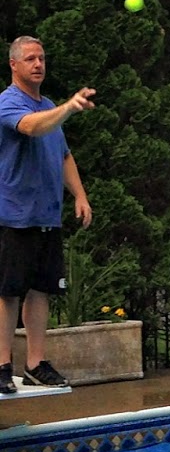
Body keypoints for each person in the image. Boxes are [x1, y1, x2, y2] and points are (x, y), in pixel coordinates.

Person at [0, 35, 95, 393]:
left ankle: (35, 364)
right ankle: (1, 365)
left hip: (46, 216)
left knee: (41, 290)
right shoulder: (8, 103)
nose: (38, 64)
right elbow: (32, 127)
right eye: (30, 59)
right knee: (8, 292)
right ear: (13, 65)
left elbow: (64, 155)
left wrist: (80, 195)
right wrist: (69, 107)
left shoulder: (50, 106)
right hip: (14, 215)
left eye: (41, 58)